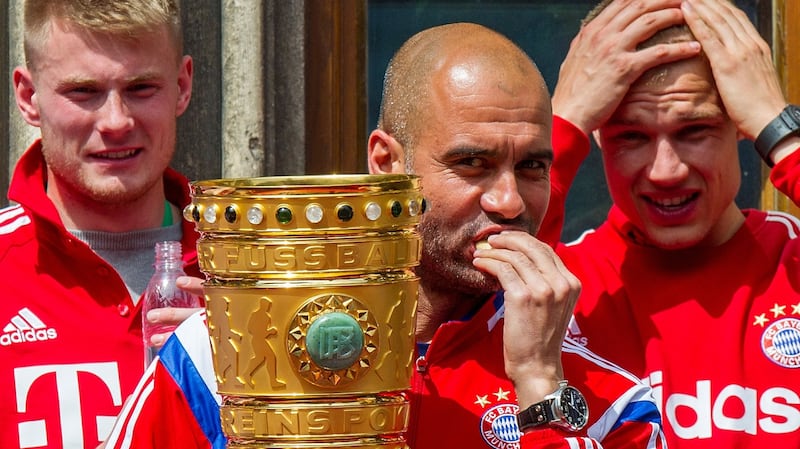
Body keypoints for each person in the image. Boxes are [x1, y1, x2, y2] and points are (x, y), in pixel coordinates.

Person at [104, 9, 703, 447]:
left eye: (532, 167)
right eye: (471, 163)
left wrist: (541, 388)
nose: (508, 200)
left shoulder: (605, 397)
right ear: (387, 163)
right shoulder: (221, 354)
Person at [540, 0, 800, 447]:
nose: (666, 170)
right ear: (597, 132)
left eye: (694, 130)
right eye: (632, 136)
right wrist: (562, 123)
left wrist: (777, 126)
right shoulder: (554, 291)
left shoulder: (791, 262)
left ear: (740, 123)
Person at [0, 1, 202, 448]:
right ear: (28, 97)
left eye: (142, 87)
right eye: (84, 92)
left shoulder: (256, 276)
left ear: (183, 86)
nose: (117, 122)